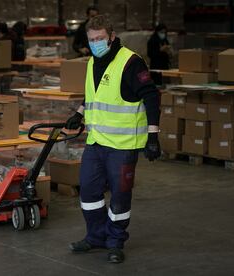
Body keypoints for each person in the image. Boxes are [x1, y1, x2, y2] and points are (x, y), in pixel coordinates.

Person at [65, 15, 161, 264]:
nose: (96, 43)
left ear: (112, 36)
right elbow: (94, 94)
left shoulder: (130, 62)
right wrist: (79, 112)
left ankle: (115, 241)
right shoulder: (91, 62)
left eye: (100, 39)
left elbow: (151, 96)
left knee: (120, 195)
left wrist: (153, 135)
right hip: (96, 141)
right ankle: (96, 236)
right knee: (89, 191)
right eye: (92, 39)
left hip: (123, 145)